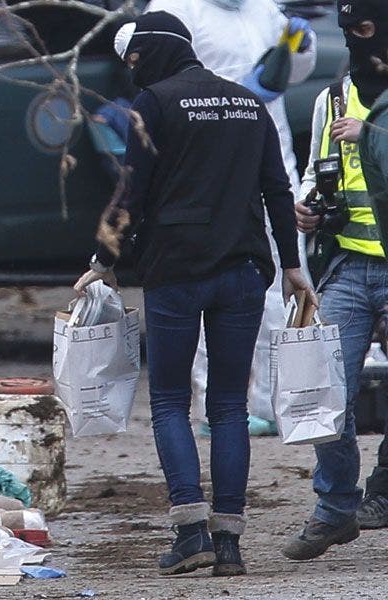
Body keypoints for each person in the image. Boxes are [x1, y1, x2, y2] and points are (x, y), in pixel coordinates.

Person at [74, 12, 314, 577]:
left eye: (135, 60)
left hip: (176, 271)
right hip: (243, 268)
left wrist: (103, 261)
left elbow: (130, 192)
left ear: (154, 53)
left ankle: (190, 533)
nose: (133, 71)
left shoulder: (154, 104)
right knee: (229, 407)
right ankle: (229, 543)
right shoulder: (247, 103)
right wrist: (292, 265)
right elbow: (276, 190)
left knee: (169, 402)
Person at [145, 0, 317, 435]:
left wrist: (300, 49)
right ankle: (212, 404)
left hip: (270, 153)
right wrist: (236, 94)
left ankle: (275, 402)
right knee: (209, 283)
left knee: (284, 281)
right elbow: (157, 73)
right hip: (207, 169)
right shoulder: (177, 8)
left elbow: (292, 73)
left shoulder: (263, 8)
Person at [284, 0, 388, 560]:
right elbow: (315, 169)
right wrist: (307, 205)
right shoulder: (332, 98)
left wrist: (371, 132)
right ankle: (336, 506)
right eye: (346, 30)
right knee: (325, 395)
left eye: (365, 29)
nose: (354, 41)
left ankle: (383, 490)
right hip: (346, 265)